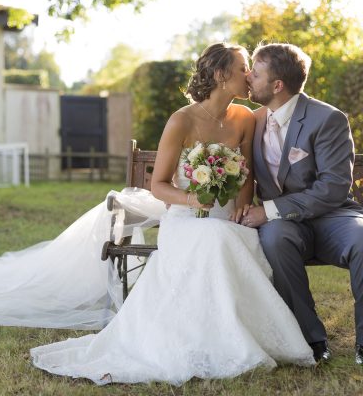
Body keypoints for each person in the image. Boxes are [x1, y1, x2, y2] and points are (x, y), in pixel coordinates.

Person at [29, 43, 315, 386]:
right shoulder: (182, 120)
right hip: (185, 219)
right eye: (242, 68)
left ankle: (239, 334)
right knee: (217, 239)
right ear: (222, 75)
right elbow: (159, 185)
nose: (249, 75)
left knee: (230, 236)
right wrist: (192, 199)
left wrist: (241, 204)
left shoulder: (245, 118)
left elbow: (247, 173)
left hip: (225, 219)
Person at [244, 42, 363, 365]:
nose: (248, 78)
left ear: (277, 85)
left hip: (332, 217)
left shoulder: (327, 119)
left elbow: (334, 187)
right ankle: (311, 340)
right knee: (275, 237)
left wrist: (268, 210)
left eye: (255, 74)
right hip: (284, 226)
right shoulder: (250, 122)